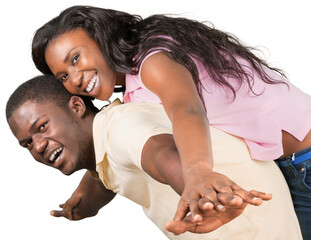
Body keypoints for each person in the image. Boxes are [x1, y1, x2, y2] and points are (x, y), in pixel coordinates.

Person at [31, 5, 311, 238]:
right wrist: (88, 187)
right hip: (288, 166)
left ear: (99, 37)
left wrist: (196, 170)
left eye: (76, 58)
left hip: (303, 162)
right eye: (63, 76)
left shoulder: (152, 59)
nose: (76, 77)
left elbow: (186, 108)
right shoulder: (133, 93)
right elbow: (128, 150)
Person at [6, 75, 302, 239]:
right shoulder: (103, 151)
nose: (38, 146)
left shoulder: (121, 127)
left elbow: (161, 153)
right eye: (27, 143)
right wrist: (83, 206)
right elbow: (104, 180)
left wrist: (199, 191)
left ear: (77, 106)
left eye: (42, 127)